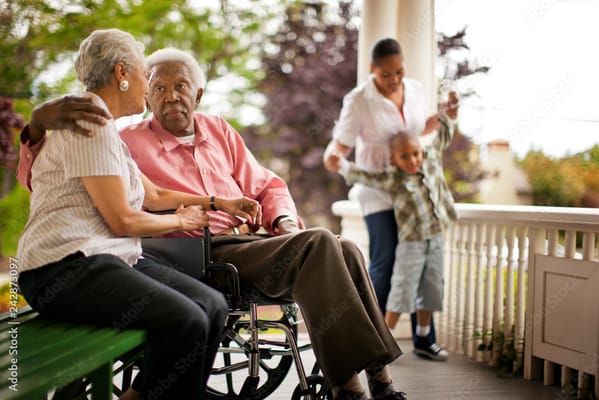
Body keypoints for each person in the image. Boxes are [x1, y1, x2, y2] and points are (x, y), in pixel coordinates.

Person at [18, 47, 408, 400]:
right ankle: (347, 386)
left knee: (347, 248)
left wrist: (285, 220)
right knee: (321, 242)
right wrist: (35, 130)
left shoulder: (219, 131)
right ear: (148, 97)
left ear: (198, 94)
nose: (171, 95)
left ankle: (380, 378)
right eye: (158, 87)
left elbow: (267, 184)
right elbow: (44, 178)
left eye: (181, 86)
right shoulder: (127, 137)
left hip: (253, 243)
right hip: (196, 251)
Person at [15, 29, 263, 400]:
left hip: (104, 259)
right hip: (62, 269)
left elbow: (155, 194)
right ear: (121, 73)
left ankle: (149, 394)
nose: (149, 85)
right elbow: (123, 221)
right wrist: (182, 222)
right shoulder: (90, 124)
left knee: (212, 305)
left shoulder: (106, 129)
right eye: (146, 74)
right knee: (186, 319)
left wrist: (218, 202)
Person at [323, 37, 458, 351]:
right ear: (373, 69)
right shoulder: (359, 100)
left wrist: (445, 114)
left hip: (411, 189)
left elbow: (419, 129)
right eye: (387, 74)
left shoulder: (415, 89)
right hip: (378, 188)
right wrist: (334, 157)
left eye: (399, 72)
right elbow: (342, 143)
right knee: (386, 259)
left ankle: (425, 338)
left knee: (421, 258)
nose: (394, 79)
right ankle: (372, 338)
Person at [328, 120, 457, 360]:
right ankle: (385, 341)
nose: (412, 161)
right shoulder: (393, 178)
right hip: (412, 242)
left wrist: (448, 117)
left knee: (432, 287)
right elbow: (366, 177)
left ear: (422, 150)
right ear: (394, 158)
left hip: (436, 237)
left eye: (416, 154)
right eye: (404, 156)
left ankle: (424, 338)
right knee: (402, 289)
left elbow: (441, 139)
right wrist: (342, 165)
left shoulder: (429, 163)